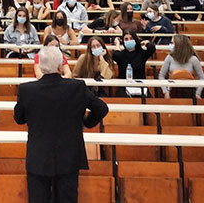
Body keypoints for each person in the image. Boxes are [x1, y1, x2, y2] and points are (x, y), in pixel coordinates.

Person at [14, 45, 108, 203]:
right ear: (60, 65)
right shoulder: (76, 87)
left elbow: (19, 118)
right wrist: (86, 122)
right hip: (69, 155)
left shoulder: (27, 90)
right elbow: (101, 108)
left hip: (39, 156)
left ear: (40, 66)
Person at [158, 35, 204, 99]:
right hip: (172, 90)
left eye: (172, 43)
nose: (170, 45)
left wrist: (197, 93)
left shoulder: (193, 59)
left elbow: (202, 78)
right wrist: (166, 92)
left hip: (189, 91)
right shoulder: (169, 57)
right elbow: (161, 76)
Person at [113, 32, 155, 96]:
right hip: (125, 87)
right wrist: (117, 44)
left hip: (141, 86)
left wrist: (146, 42)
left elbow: (151, 48)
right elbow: (115, 55)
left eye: (131, 38)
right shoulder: (122, 55)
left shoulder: (141, 53)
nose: (129, 40)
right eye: (126, 39)